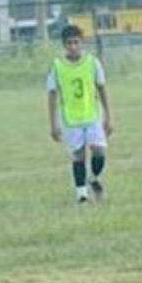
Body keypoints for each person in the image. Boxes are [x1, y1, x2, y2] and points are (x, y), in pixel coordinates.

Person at [46, 24, 115, 205]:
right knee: (78, 156)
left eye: (76, 42)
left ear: (82, 43)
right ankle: (82, 195)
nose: (73, 47)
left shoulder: (92, 63)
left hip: (92, 115)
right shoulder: (58, 67)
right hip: (71, 119)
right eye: (69, 43)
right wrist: (53, 124)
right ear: (64, 45)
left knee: (99, 151)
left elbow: (101, 88)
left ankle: (94, 178)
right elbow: (52, 95)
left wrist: (109, 115)